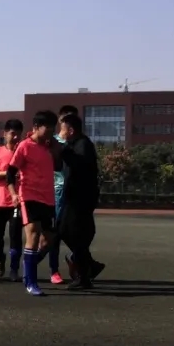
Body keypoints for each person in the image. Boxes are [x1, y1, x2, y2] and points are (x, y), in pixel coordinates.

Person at [7, 109, 58, 296]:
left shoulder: (50, 147)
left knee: (48, 241)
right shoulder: (24, 146)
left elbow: (59, 165)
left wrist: (55, 148)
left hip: (48, 199)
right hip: (29, 196)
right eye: (48, 129)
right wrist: (13, 194)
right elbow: (10, 173)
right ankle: (31, 282)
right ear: (36, 127)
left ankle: (28, 267)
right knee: (33, 235)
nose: (51, 132)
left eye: (53, 129)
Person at [57, 112, 105, 290]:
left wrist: (61, 150)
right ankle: (89, 265)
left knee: (75, 233)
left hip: (81, 198)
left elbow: (80, 165)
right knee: (64, 230)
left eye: (62, 129)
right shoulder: (74, 144)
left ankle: (83, 276)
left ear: (70, 130)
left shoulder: (83, 144)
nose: (60, 132)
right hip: (73, 196)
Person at [0, 119, 24, 281]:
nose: (15, 137)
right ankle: (0, 257)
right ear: (5, 134)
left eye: (18, 134)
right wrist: (7, 174)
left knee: (15, 236)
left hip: (17, 201)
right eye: (12, 134)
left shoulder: (23, 152)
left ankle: (14, 269)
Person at [47, 104, 79, 285]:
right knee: (56, 233)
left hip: (74, 193)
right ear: (60, 120)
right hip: (56, 191)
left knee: (78, 231)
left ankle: (77, 261)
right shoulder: (52, 142)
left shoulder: (79, 143)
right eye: (67, 118)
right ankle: (54, 270)